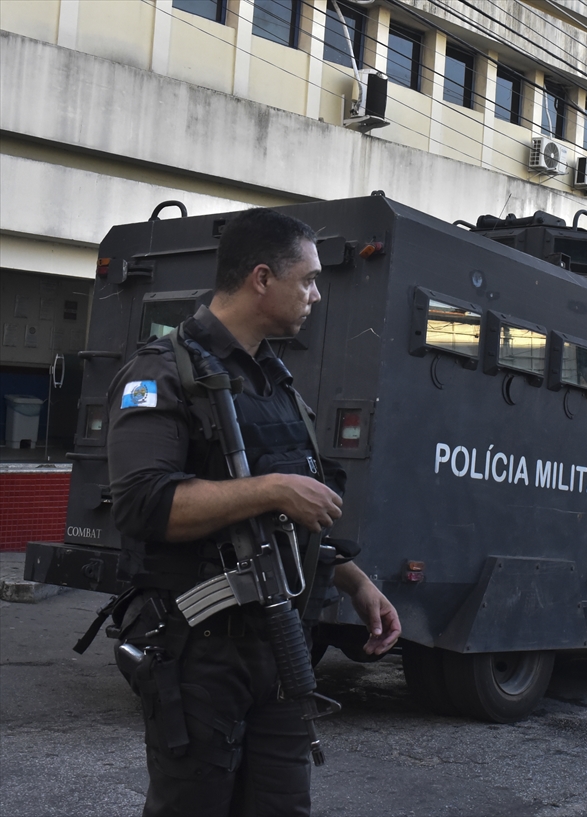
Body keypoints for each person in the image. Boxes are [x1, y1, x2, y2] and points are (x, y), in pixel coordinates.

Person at [106, 208, 402, 816]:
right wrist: (270, 489)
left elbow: (288, 516)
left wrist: (355, 580)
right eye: (308, 280)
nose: (317, 295)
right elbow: (143, 502)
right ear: (262, 279)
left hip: (280, 644)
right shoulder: (163, 371)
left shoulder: (275, 382)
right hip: (197, 651)